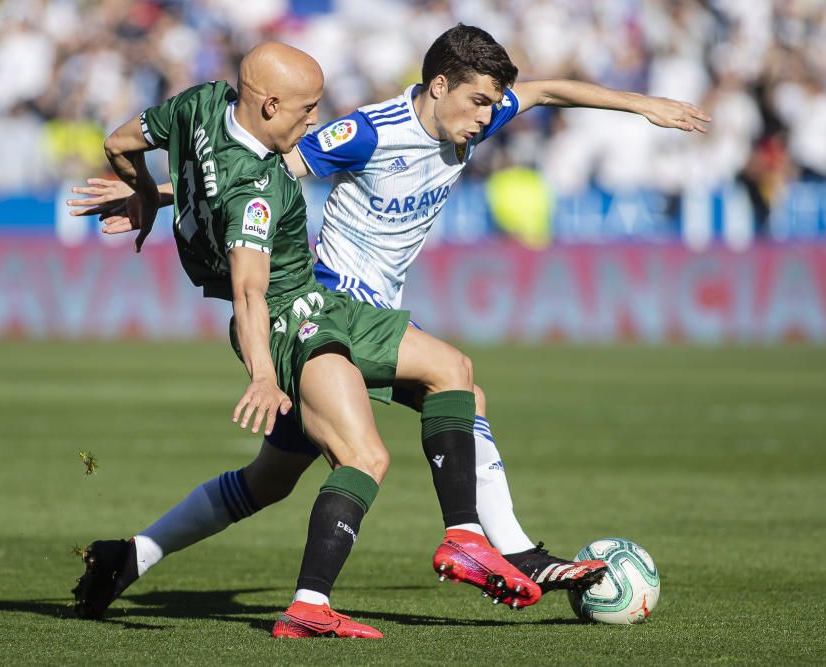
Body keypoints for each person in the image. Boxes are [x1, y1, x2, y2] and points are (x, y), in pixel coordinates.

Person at [71, 23, 709, 616]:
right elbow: (262, 173)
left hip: (363, 312)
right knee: (455, 383)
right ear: (439, 87)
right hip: (327, 308)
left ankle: (127, 557)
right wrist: (153, 195)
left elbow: (544, 92)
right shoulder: (368, 133)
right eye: (479, 102)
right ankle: (503, 550)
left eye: (493, 104)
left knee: (268, 481)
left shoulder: (472, 119)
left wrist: (641, 104)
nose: (489, 117)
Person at [72, 41, 544, 640]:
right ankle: (315, 603)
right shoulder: (255, 195)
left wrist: (145, 193)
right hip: (294, 321)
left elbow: (118, 143)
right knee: (364, 457)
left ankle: (129, 556)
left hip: (325, 306)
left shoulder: (197, 106)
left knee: (440, 376)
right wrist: (265, 375)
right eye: (307, 108)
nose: (314, 119)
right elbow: (249, 293)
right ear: (268, 105)